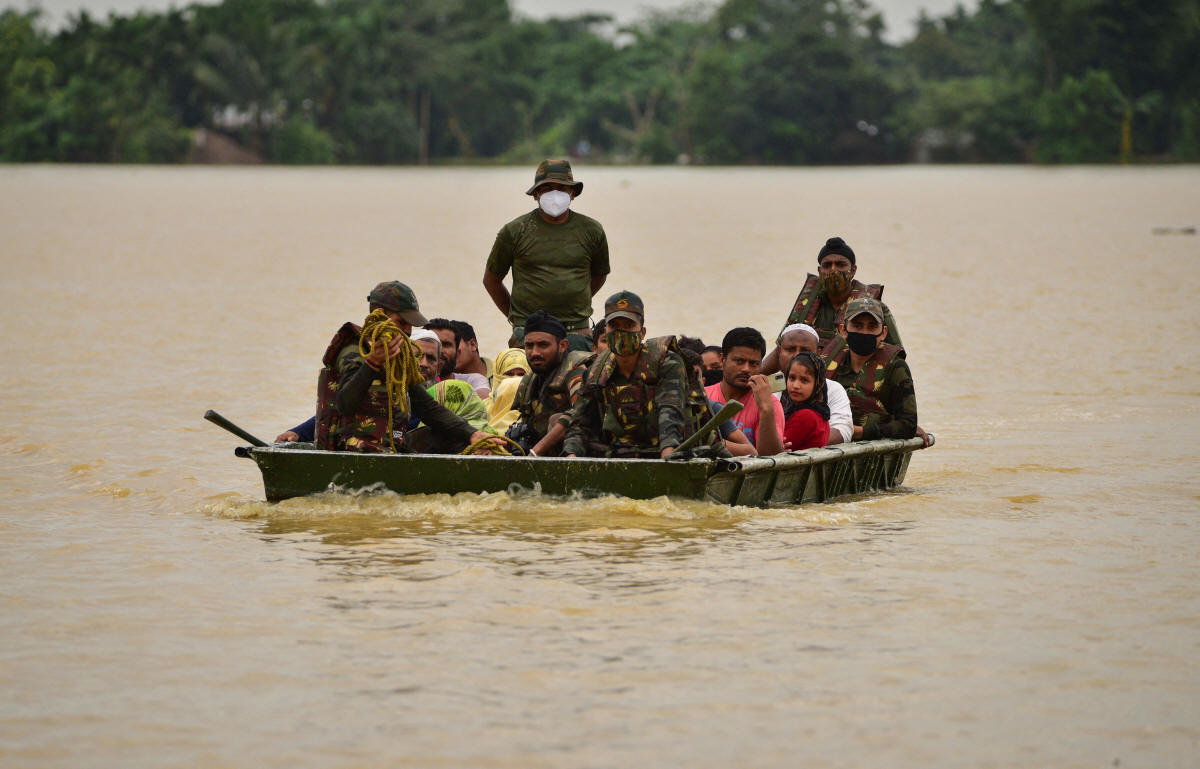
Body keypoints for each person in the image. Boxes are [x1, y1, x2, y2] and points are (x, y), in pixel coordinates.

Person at [311, 281, 496, 454]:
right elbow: (344, 403)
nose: (407, 330)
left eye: (410, 324)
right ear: (380, 315)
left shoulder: (397, 358)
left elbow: (427, 407)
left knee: (452, 437)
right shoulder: (354, 349)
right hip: (352, 450)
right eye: (401, 322)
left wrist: (472, 434)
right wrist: (372, 364)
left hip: (391, 447)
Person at [563, 291, 714, 459]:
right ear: (606, 330)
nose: (621, 332)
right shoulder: (596, 371)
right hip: (614, 457)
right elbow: (580, 423)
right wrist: (572, 456)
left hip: (660, 454)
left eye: (628, 326)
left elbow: (670, 409)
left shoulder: (666, 362)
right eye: (614, 326)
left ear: (642, 332)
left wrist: (668, 452)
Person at [482, 158, 611, 340]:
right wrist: (515, 318)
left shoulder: (592, 230)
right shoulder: (514, 231)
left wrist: (576, 301)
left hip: (577, 330)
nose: (555, 194)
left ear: (572, 193)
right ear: (536, 194)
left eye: (562, 188)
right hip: (529, 332)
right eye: (547, 189)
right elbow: (491, 281)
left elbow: (600, 275)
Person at [763, 236, 902, 372]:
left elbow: (896, 357)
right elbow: (781, 350)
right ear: (819, 271)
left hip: (855, 379)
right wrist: (755, 375)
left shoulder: (874, 308)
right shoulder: (807, 305)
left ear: (853, 270)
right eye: (827, 265)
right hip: (808, 378)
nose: (833, 270)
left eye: (841, 265)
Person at [826, 297, 920, 442]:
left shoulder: (896, 367)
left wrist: (861, 432)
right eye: (857, 326)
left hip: (874, 444)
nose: (864, 333)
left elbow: (908, 425)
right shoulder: (829, 364)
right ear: (843, 330)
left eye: (872, 327)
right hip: (831, 439)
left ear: (883, 332)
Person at [508, 310, 593, 457]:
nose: (535, 352)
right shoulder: (530, 381)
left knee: (557, 420)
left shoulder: (575, 372)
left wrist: (534, 453)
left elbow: (578, 416)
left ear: (563, 346)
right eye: (529, 346)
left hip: (575, 453)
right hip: (541, 457)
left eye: (543, 345)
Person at [705, 327, 786, 455]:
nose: (746, 369)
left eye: (753, 364)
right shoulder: (703, 397)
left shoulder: (770, 404)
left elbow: (772, 459)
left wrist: (766, 410)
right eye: (739, 361)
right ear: (722, 359)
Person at [774, 323, 853, 445]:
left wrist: (810, 440)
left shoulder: (833, 388)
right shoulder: (768, 386)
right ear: (779, 351)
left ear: (818, 353)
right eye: (790, 349)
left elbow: (843, 431)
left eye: (805, 351)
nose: (797, 355)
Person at [411, 329, 495, 435]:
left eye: (431, 358)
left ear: (439, 367)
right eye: (417, 356)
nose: (424, 363)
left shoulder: (448, 396)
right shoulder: (396, 393)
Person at [679, 347, 755, 457]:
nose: (688, 383)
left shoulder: (712, 408)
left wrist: (712, 441)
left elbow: (750, 451)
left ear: (703, 381)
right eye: (683, 376)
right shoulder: (658, 408)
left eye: (695, 376)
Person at [425, 318, 489, 398]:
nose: (440, 350)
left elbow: (483, 400)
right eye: (434, 344)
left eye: (446, 344)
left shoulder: (474, 380)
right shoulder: (412, 382)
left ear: (457, 351)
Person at [779, 351, 830, 450]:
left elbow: (772, 451)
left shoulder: (806, 416)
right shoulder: (820, 413)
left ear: (817, 385)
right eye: (792, 378)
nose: (795, 386)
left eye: (804, 380)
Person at [484, 348, 529, 432]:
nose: (514, 379)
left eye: (521, 374)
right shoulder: (482, 409)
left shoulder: (531, 410)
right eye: (509, 374)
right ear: (497, 376)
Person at [450, 320, 492, 389]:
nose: (446, 351)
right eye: (440, 346)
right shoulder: (438, 382)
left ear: (473, 345)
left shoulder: (505, 373)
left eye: (451, 344)